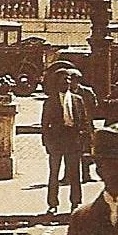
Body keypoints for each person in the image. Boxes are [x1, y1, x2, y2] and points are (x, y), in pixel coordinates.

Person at [40, 66, 89, 214]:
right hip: (56, 141)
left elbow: (84, 121)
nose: (67, 83)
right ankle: (53, 204)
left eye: (68, 80)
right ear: (57, 83)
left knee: (75, 174)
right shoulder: (50, 102)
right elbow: (44, 124)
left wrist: (85, 139)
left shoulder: (78, 100)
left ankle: (75, 203)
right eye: (63, 80)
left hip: (73, 140)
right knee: (54, 173)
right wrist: (47, 142)